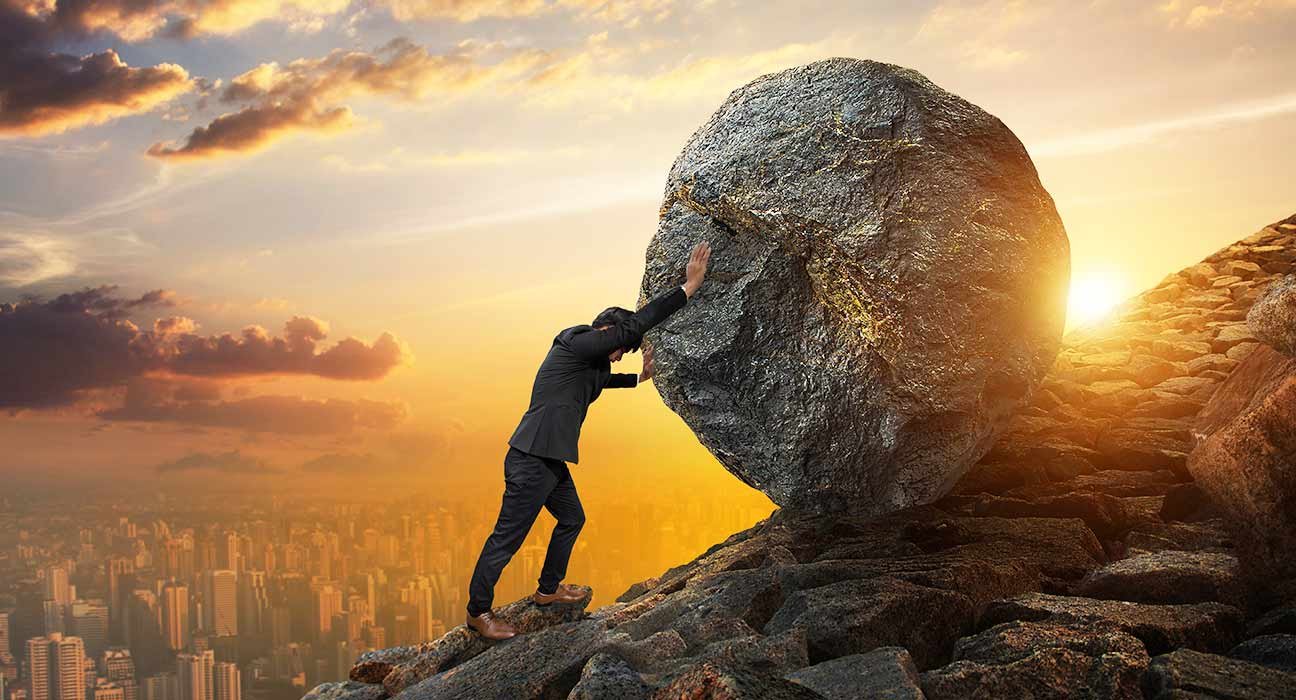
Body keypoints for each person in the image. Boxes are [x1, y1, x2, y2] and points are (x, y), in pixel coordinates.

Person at [464, 241, 713, 640]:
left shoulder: (589, 366)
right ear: (605, 331)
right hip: (531, 459)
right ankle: (478, 613)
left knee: (572, 518)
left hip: (549, 461)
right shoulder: (575, 340)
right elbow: (634, 326)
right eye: (619, 349)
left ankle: (547, 591)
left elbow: (600, 381)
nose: (618, 356)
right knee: (507, 539)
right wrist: (688, 287)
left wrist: (637, 378)